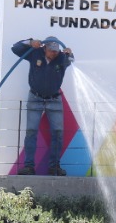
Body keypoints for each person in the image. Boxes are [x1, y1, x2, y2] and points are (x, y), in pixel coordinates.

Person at [11, 35, 74, 176]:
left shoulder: (62, 58)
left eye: (56, 50)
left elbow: (71, 60)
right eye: (51, 50)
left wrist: (70, 52)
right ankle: (29, 166)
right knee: (31, 131)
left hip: (54, 99)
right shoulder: (34, 53)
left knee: (58, 132)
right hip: (35, 97)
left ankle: (54, 167)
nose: (54, 53)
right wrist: (30, 42)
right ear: (44, 48)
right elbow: (15, 48)